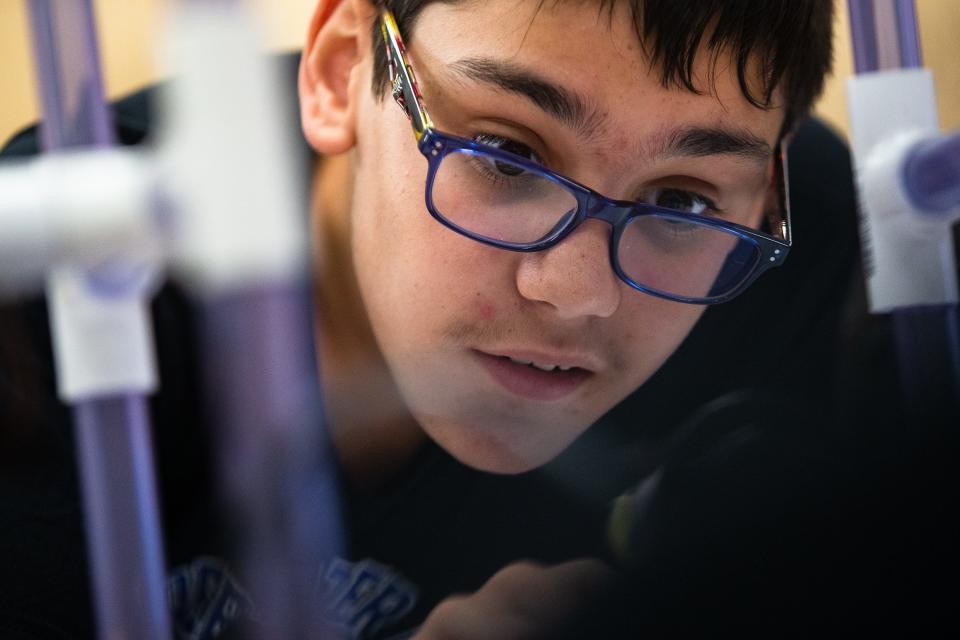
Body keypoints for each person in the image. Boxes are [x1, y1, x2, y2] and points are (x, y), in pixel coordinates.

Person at [0, 1, 851, 638]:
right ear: (340, 75)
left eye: (678, 200)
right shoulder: (62, 295)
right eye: (510, 156)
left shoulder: (792, 261)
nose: (579, 290)